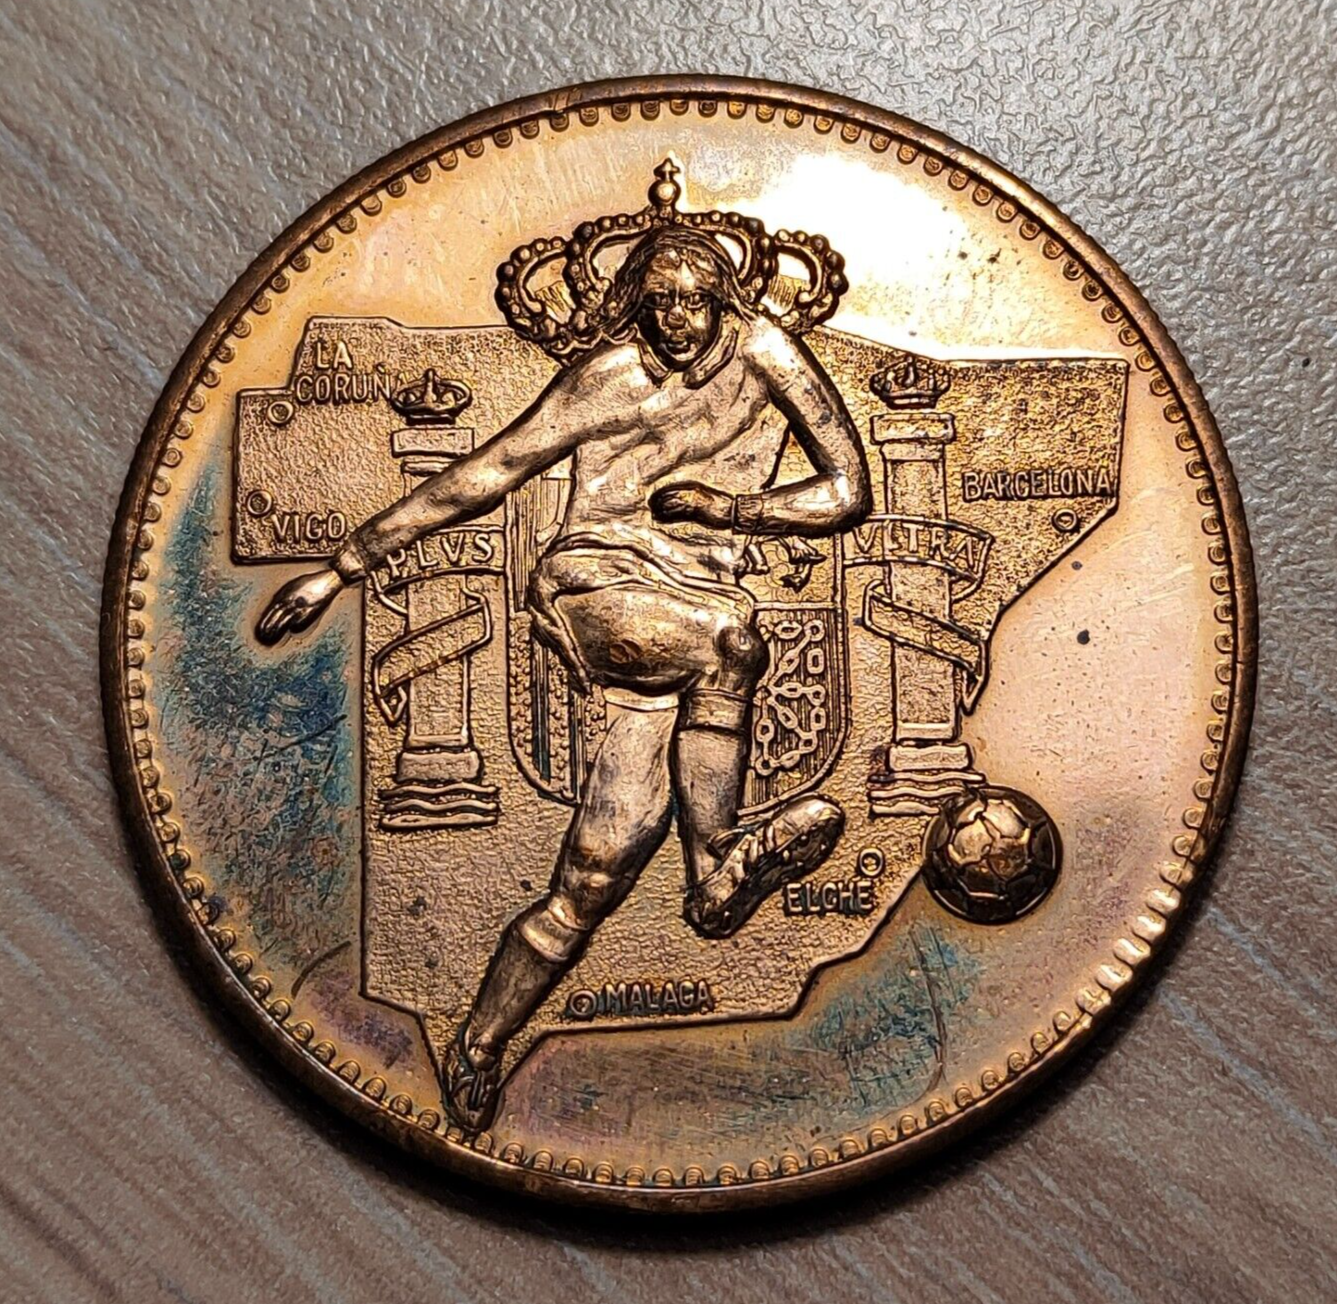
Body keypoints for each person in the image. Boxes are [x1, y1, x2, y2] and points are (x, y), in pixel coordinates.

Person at [257, 225, 872, 1130]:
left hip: (689, 608)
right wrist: (342, 566)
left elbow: (846, 491)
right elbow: (491, 469)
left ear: (723, 299)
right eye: (657, 303)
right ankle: (715, 864)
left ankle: (477, 1044)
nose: (676, 321)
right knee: (734, 644)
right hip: (595, 584)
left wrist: (733, 509)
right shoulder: (606, 379)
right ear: (636, 304)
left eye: (693, 302)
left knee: (592, 875)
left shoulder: (768, 355)